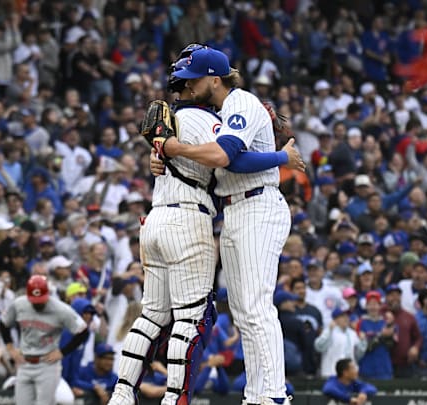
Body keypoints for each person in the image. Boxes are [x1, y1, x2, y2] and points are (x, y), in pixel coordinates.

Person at [117, 43, 303, 405]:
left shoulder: (240, 102)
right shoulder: (217, 115)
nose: (188, 87)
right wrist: (161, 163)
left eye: (194, 80)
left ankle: (274, 396)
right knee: (245, 310)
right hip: (233, 209)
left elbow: (225, 158)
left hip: (258, 203)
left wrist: (172, 149)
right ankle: (257, 395)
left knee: (256, 306)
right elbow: (212, 170)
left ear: (214, 78)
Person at [0, 275, 88, 405]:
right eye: (34, 300)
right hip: (25, 362)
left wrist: (62, 352)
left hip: (47, 364)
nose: (38, 303)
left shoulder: (61, 309)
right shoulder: (19, 304)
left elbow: (83, 331)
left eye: (41, 300)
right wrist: (10, 348)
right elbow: (3, 323)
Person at [315, 307, 368, 379]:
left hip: (349, 375)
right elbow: (318, 347)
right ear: (335, 319)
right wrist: (329, 331)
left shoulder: (352, 333)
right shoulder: (329, 331)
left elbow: (358, 355)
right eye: (342, 316)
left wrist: (363, 341)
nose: (346, 318)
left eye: (347, 316)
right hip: (331, 373)